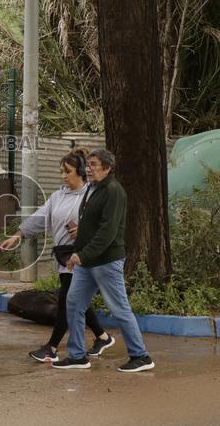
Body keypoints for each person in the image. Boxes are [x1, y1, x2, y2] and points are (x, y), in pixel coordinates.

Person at [0, 148, 114, 363]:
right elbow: (40, 217)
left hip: (81, 257)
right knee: (77, 300)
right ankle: (103, 337)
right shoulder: (58, 196)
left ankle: (51, 348)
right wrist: (18, 235)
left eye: (68, 171)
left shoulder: (92, 195)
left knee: (67, 302)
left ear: (80, 172)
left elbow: (105, 224)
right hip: (63, 257)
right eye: (62, 171)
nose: (63, 175)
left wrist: (84, 230)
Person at [55, 149, 155, 372]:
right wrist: (78, 251)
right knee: (74, 303)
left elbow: (107, 233)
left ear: (108, 168)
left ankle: (141, 356)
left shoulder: (113, 191)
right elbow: (91, 224)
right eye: (88, 164)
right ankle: (77, 356)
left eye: (93, 164)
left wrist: (81, 254)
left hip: (106, 262)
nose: (88, 168)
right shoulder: (93, 188)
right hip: (87, 262)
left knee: (119, 309)